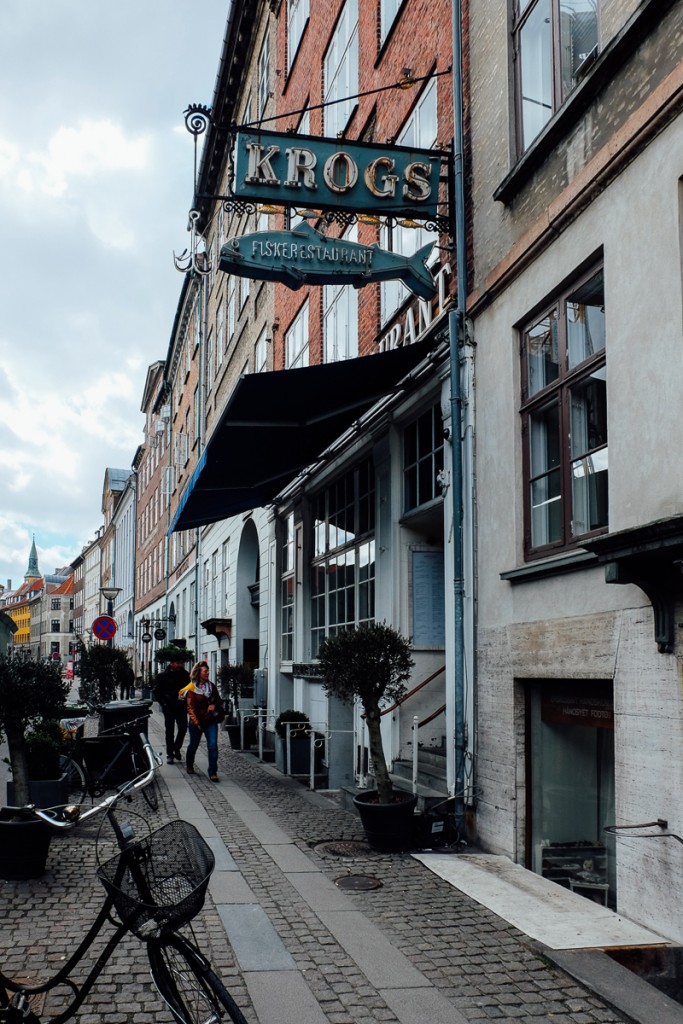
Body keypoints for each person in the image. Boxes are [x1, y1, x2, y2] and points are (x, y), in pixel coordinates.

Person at [184, 661, 224, 782]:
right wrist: (196, 723)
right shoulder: (192, 689)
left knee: (212, 745)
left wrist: (214, 706)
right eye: (205, 671)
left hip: (210, 720)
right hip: (196, 722)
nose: (207, 673)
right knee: (193, 745)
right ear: (199, 673)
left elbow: (219, 701)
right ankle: (189, 764)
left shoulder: (211, 687)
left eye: (208, 671)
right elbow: (190, 708)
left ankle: (213, 771)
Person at [152, 654, 190, 764]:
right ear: (171, 663)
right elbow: (156, 691)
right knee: (170, 731)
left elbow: (189, 689)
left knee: (183, 728)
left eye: (181, 663)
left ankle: (176, 747)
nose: (180, 665)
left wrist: (186, 699)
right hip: (168, 706)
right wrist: (163, 703)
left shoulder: (185, 675)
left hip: (181, 706)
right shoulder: (162, 676)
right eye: (178, 663)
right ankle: (170, 754)